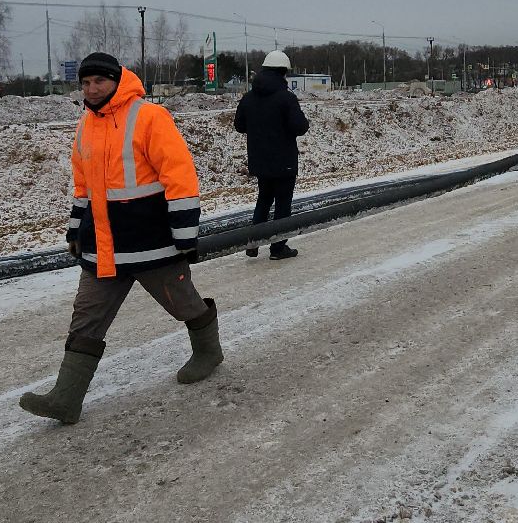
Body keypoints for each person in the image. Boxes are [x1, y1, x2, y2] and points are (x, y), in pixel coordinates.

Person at [19, 52, 220, 424]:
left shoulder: (148, 116)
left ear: (116, 80)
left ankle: (209, 353)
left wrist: (186, 233)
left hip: (152, 243)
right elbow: (84, 186)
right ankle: (66, 398)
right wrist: (76, 228)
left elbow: (179, 175)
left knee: (183, 304)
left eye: (98, 81)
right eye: (85, 83)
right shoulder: (85, 125)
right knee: (86, 317)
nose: (91, 89)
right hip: (102, 247)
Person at [234, 49, 310, 260]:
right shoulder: (286, 98)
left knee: (264, 199)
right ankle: (277, 248)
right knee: (283, 205)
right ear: (282, 72)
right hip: (283, 162)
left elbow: (239, 125)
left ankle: (254, 242)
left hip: (260, 161)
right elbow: (300, 127)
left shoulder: (248, 98)